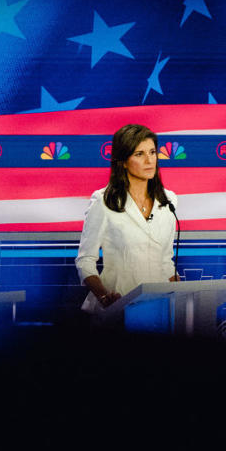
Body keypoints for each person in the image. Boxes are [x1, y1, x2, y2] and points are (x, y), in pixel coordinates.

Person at [75, 124, 179, 313]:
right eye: (139, 154)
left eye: (153, 152)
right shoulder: (103, 200)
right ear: (123, 161)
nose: (149, 160)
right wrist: (104, 296)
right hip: (117, 308)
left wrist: (180, 291)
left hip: (158, 308)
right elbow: (85, 260)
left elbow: (165, 260)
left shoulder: (169, 200)